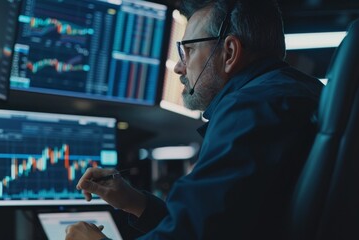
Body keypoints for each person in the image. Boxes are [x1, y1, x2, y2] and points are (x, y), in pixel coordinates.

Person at [65, 0, 323, 239]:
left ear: (230, 52)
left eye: (188, 50)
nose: (179, 67)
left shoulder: (251, 109)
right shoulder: (293, 93)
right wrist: (136, 202)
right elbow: (213, 226)